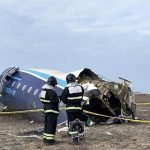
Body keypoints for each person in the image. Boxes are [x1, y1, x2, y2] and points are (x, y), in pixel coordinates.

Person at [40, 76, 60, 145]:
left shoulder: (43, 91)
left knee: (47, 125)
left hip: (46, 110)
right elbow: (55, 101)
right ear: (53, 83)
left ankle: (45, 139)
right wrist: (59, 98)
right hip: (52, 111)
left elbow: (42, 100)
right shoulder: (51, 91)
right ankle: (50, 141)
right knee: (51, 126)